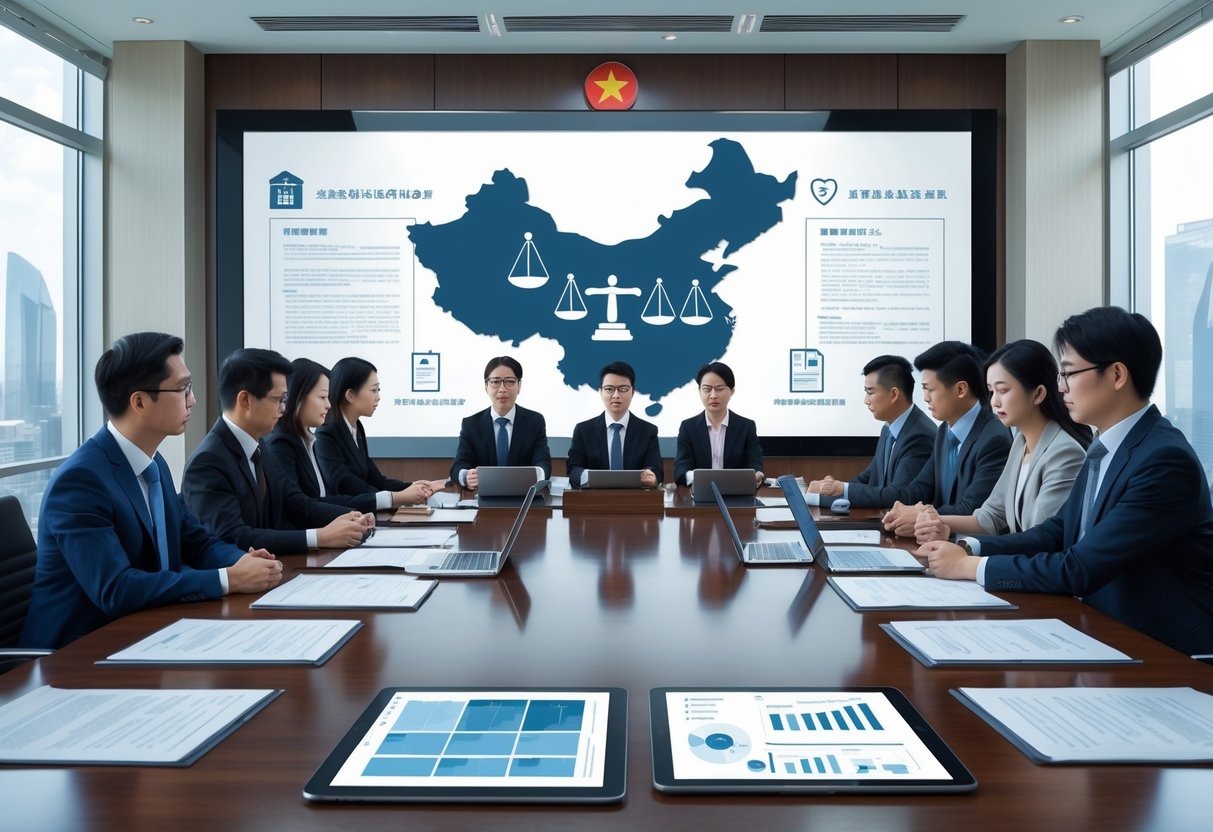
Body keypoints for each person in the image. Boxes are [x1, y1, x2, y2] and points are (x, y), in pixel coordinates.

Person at [918, 307, 1213, 655]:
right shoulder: (1107, 447)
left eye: (1069, 373)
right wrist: (971, 547)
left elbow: (1079, 566)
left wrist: (970, 566)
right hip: (1104, 632)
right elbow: (1057, 532)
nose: (1061, 387)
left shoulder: (1163, 460)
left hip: (1162, 653)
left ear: (1117, 375)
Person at [22, 333, 282, 649]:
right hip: (76, 656)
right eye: (183, 388)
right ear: (140, 402)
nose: (193, 400)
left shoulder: (153, 463)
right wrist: (228, 579)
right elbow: (116, 589)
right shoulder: (80, 481)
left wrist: (242, 561)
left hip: (147, 633)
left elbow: (197, 542)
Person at [182, 348, 373, 554]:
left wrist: (351, 515)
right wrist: (319, 537)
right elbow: (233, 536)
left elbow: (296, 503)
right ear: (245, 400)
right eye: (278, 400)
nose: (283, 408)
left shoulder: (259, 445)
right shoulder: (208, 462)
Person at [915, 340, 1090, 542]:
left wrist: (967, 549)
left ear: (1038, 393)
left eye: (1003, 390)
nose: (994, 402)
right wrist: (934, 521)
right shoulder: (1020, 443)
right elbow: (991, 516)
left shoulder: (1065, 453)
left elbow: (1040, 540)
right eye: (991, 391)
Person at [881, 341, 1012, 536]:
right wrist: (903, 509)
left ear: (960, 390)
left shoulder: (994, 439)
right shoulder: (944, 430)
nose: (925, 398)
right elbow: (920, 488)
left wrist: (919, 515)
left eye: (930, 389)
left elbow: (971, 510)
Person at [266, 358, 425, 513]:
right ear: (298, 397)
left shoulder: (307, 439)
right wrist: (391, 498)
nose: (328, 404)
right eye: (322, 397)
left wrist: (409, 489)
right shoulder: (285, 442)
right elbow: (304, 503)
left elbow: (326, 498)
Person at [805, 355, 934, 508]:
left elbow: (899, 496)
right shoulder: (889, 427)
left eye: (870, 392)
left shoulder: (919, 436)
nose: (866, 400)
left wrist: (839, 490)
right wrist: (833, 488)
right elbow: (870, 475)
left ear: (893, 394)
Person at [314, 356, 445, 505]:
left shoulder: (357, 426)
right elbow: (343, 483)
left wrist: (413, 487)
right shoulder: (326, 433)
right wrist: (395, 497)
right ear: (350, 395)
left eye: (379, 390)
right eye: (373, 390)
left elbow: (375, 478)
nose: (378, 397)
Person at [450, 356, 553, 489]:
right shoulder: (471, 424)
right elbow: (458, 467)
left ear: (519, 386)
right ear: (486, 386)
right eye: (495, 382)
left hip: (524, 497)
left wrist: (538, 476)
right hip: (483, 499)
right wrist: (466, 476)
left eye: (509, 382)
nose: (502, 389)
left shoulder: (534, 421)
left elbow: (543, 463)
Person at [566, 361, 663, 488]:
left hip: (634, 501)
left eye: (623, 389)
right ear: (600, 392)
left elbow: (656, 469)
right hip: (594, 500)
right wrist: (588, 477)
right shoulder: (583, 430)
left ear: (633, 392)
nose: (616, 395)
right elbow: (573, 469)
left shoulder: (648, 431)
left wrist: (653, 477)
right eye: (609, 389)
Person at [673, 362, 764, 487]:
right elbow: (680, 470)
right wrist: (703, 478)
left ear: (732, 391)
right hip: (698, 497)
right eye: (707, 389)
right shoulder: (688, 427)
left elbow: (755, 464)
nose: (713, 395)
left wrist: (756, 474)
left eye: (719, 389)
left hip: (737, 496)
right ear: (699, 391)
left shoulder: (746, 426)